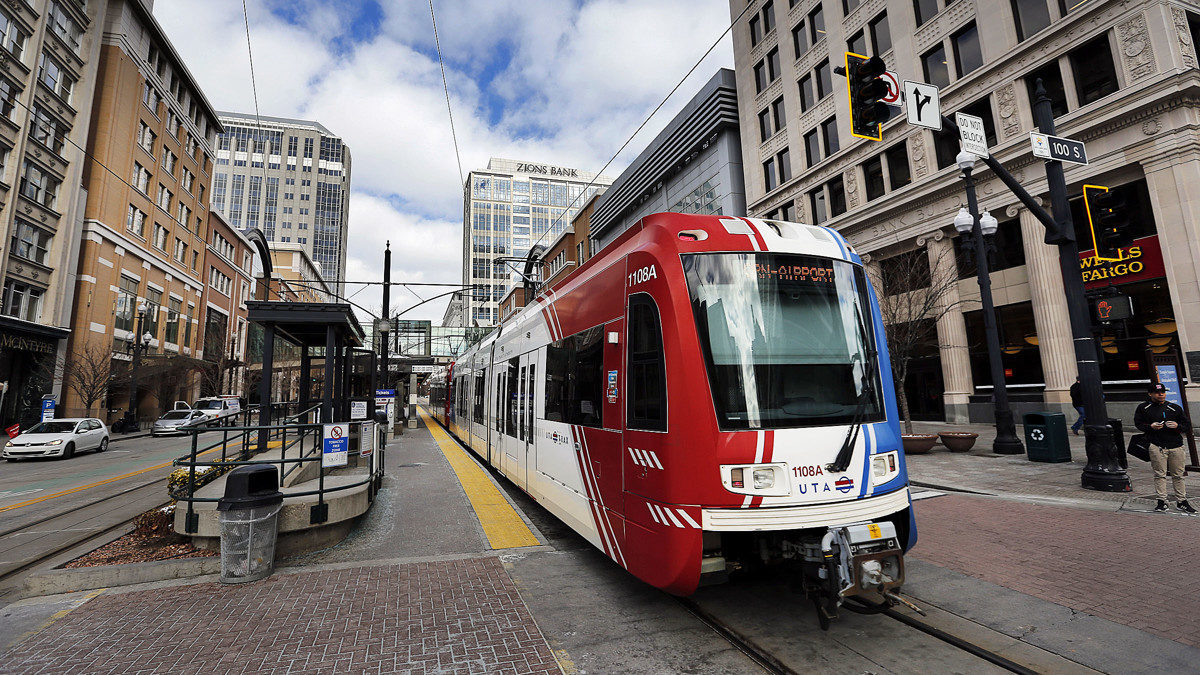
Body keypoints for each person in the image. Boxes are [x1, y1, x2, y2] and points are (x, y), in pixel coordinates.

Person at [1133, 382, 1195, 513]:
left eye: (1163, 392)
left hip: (1176, 446)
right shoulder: (1144, 408)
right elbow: (1138, 424)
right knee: (1159, 474)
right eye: (1157, 392)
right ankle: (1162, 501)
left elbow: (1187, 424)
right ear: (1150, 394)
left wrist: (1177, 426)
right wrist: (1151, 426)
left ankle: (1182, 501)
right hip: (1157, 446)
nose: (1161, 394)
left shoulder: (1174, 408)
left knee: (1178, 475)